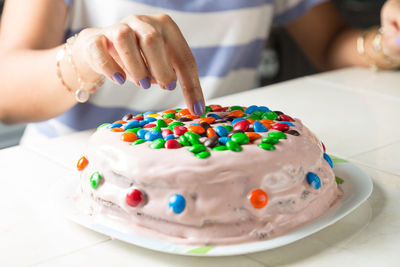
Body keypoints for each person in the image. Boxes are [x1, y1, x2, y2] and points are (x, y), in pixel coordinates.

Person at [0, 0, 399, 144]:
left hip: (217, 179)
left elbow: (330, 43)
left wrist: (388, 41)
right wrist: (88, 57)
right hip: (67, 176)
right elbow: (6, 92)